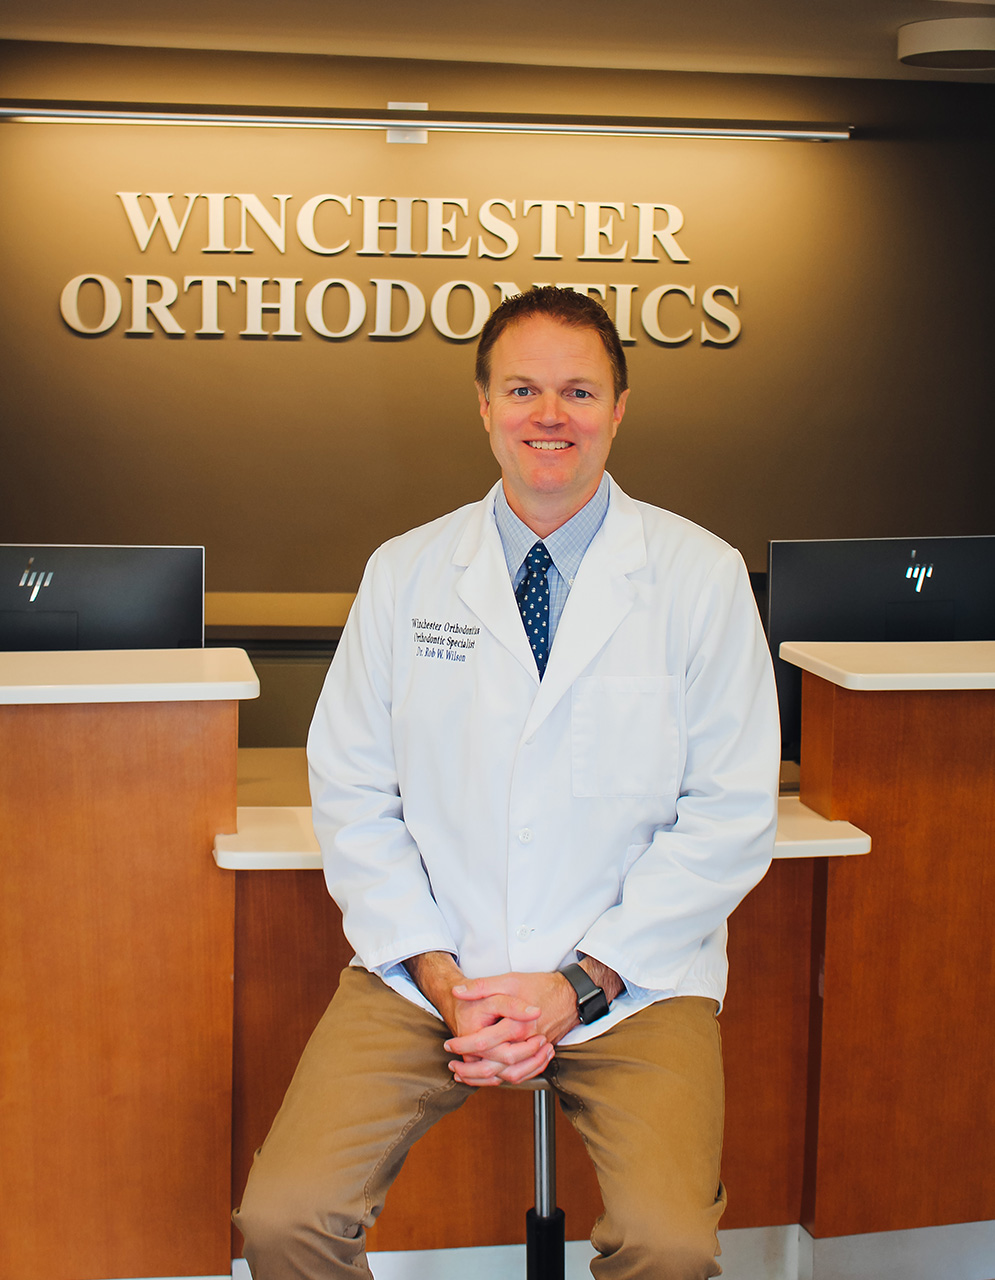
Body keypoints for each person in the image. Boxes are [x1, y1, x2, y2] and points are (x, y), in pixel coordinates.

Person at [234, 286, 780, 1279]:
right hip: (428, 971)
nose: (549, 414)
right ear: (483, 406)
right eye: (522, 389)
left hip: (631, 979)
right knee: (285, 1218)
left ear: (618, 408)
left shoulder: (700, 576)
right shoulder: (405, 572)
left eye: (579, 391)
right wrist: (441, 975)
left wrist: (579, 983)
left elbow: (730, 811)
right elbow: (353, 791)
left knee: (666, 1245)